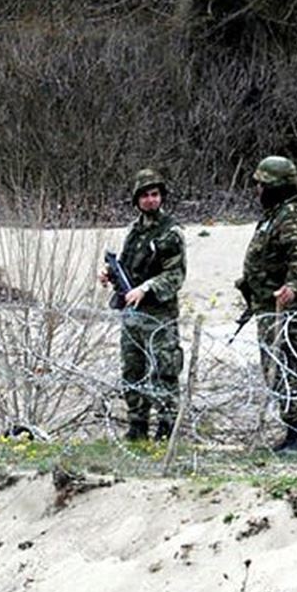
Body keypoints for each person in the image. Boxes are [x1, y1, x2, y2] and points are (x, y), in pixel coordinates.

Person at [236, 156, 297, 454]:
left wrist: (293, 287)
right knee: (275, 365)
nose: (257, 190)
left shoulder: (292, 214)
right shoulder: (276, 213)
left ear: (276, 186)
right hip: (268, 305)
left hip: (285, 305)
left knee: (284, 365)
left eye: (261, 184)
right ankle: (291, 432)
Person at [99, 168, 187, 443]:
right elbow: (126, 267)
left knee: (164, 370)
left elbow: (175, 274)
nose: (151, 200)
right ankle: (137, 426)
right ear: (136, 200)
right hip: (132, 314)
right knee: (132, 370)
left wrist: (146, 288)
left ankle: (166, 427)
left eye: (155, 194)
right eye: (145, 196)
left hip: (158, 313)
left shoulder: (170, 232)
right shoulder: (135, 231)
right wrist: (109, 274)